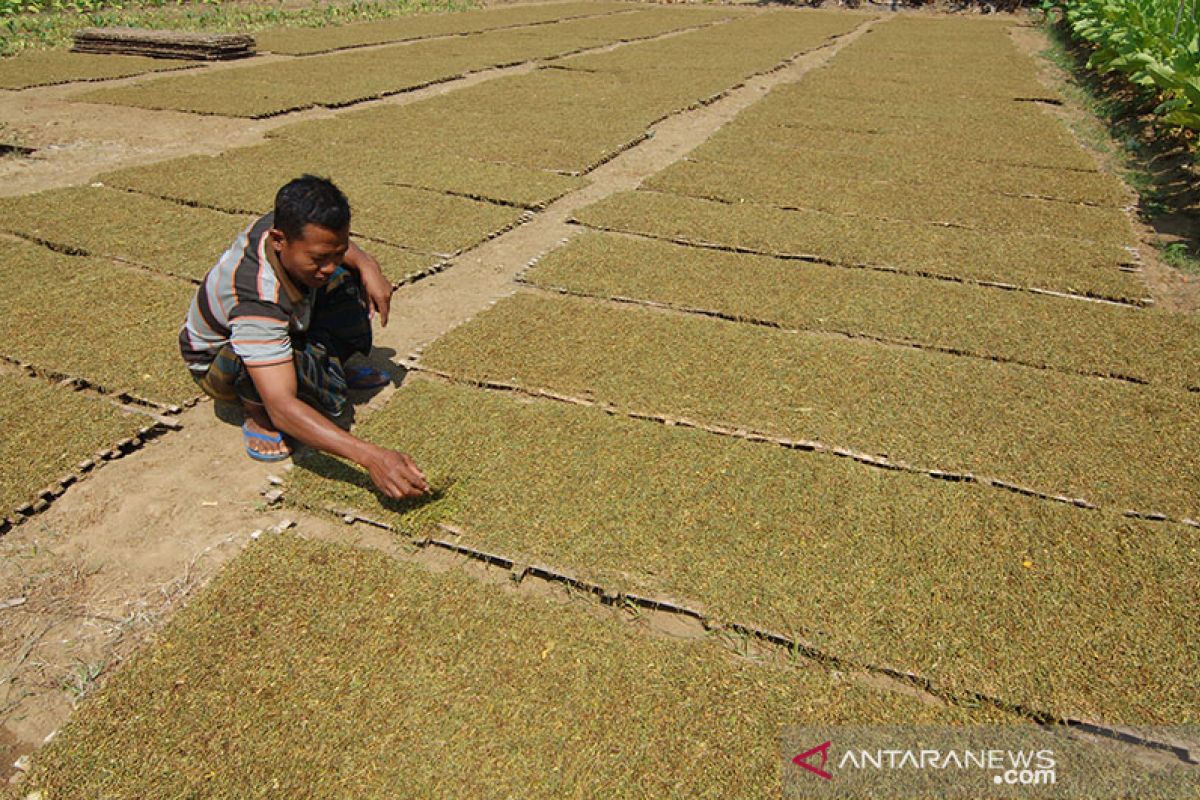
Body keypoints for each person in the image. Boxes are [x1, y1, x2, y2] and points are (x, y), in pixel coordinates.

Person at [178, 174, 429, 500]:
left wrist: (368, 265)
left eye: (335, 253)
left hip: (281, 319)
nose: (327, 266)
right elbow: (283, 406)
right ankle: (256, 413)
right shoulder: (256, 300)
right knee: (287, 392)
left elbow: (335, 246)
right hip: (220, 362)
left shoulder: (283, 224)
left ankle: (326, 364)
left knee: (346, 280)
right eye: (318, 259)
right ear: (280, 240)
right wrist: (372, 458)